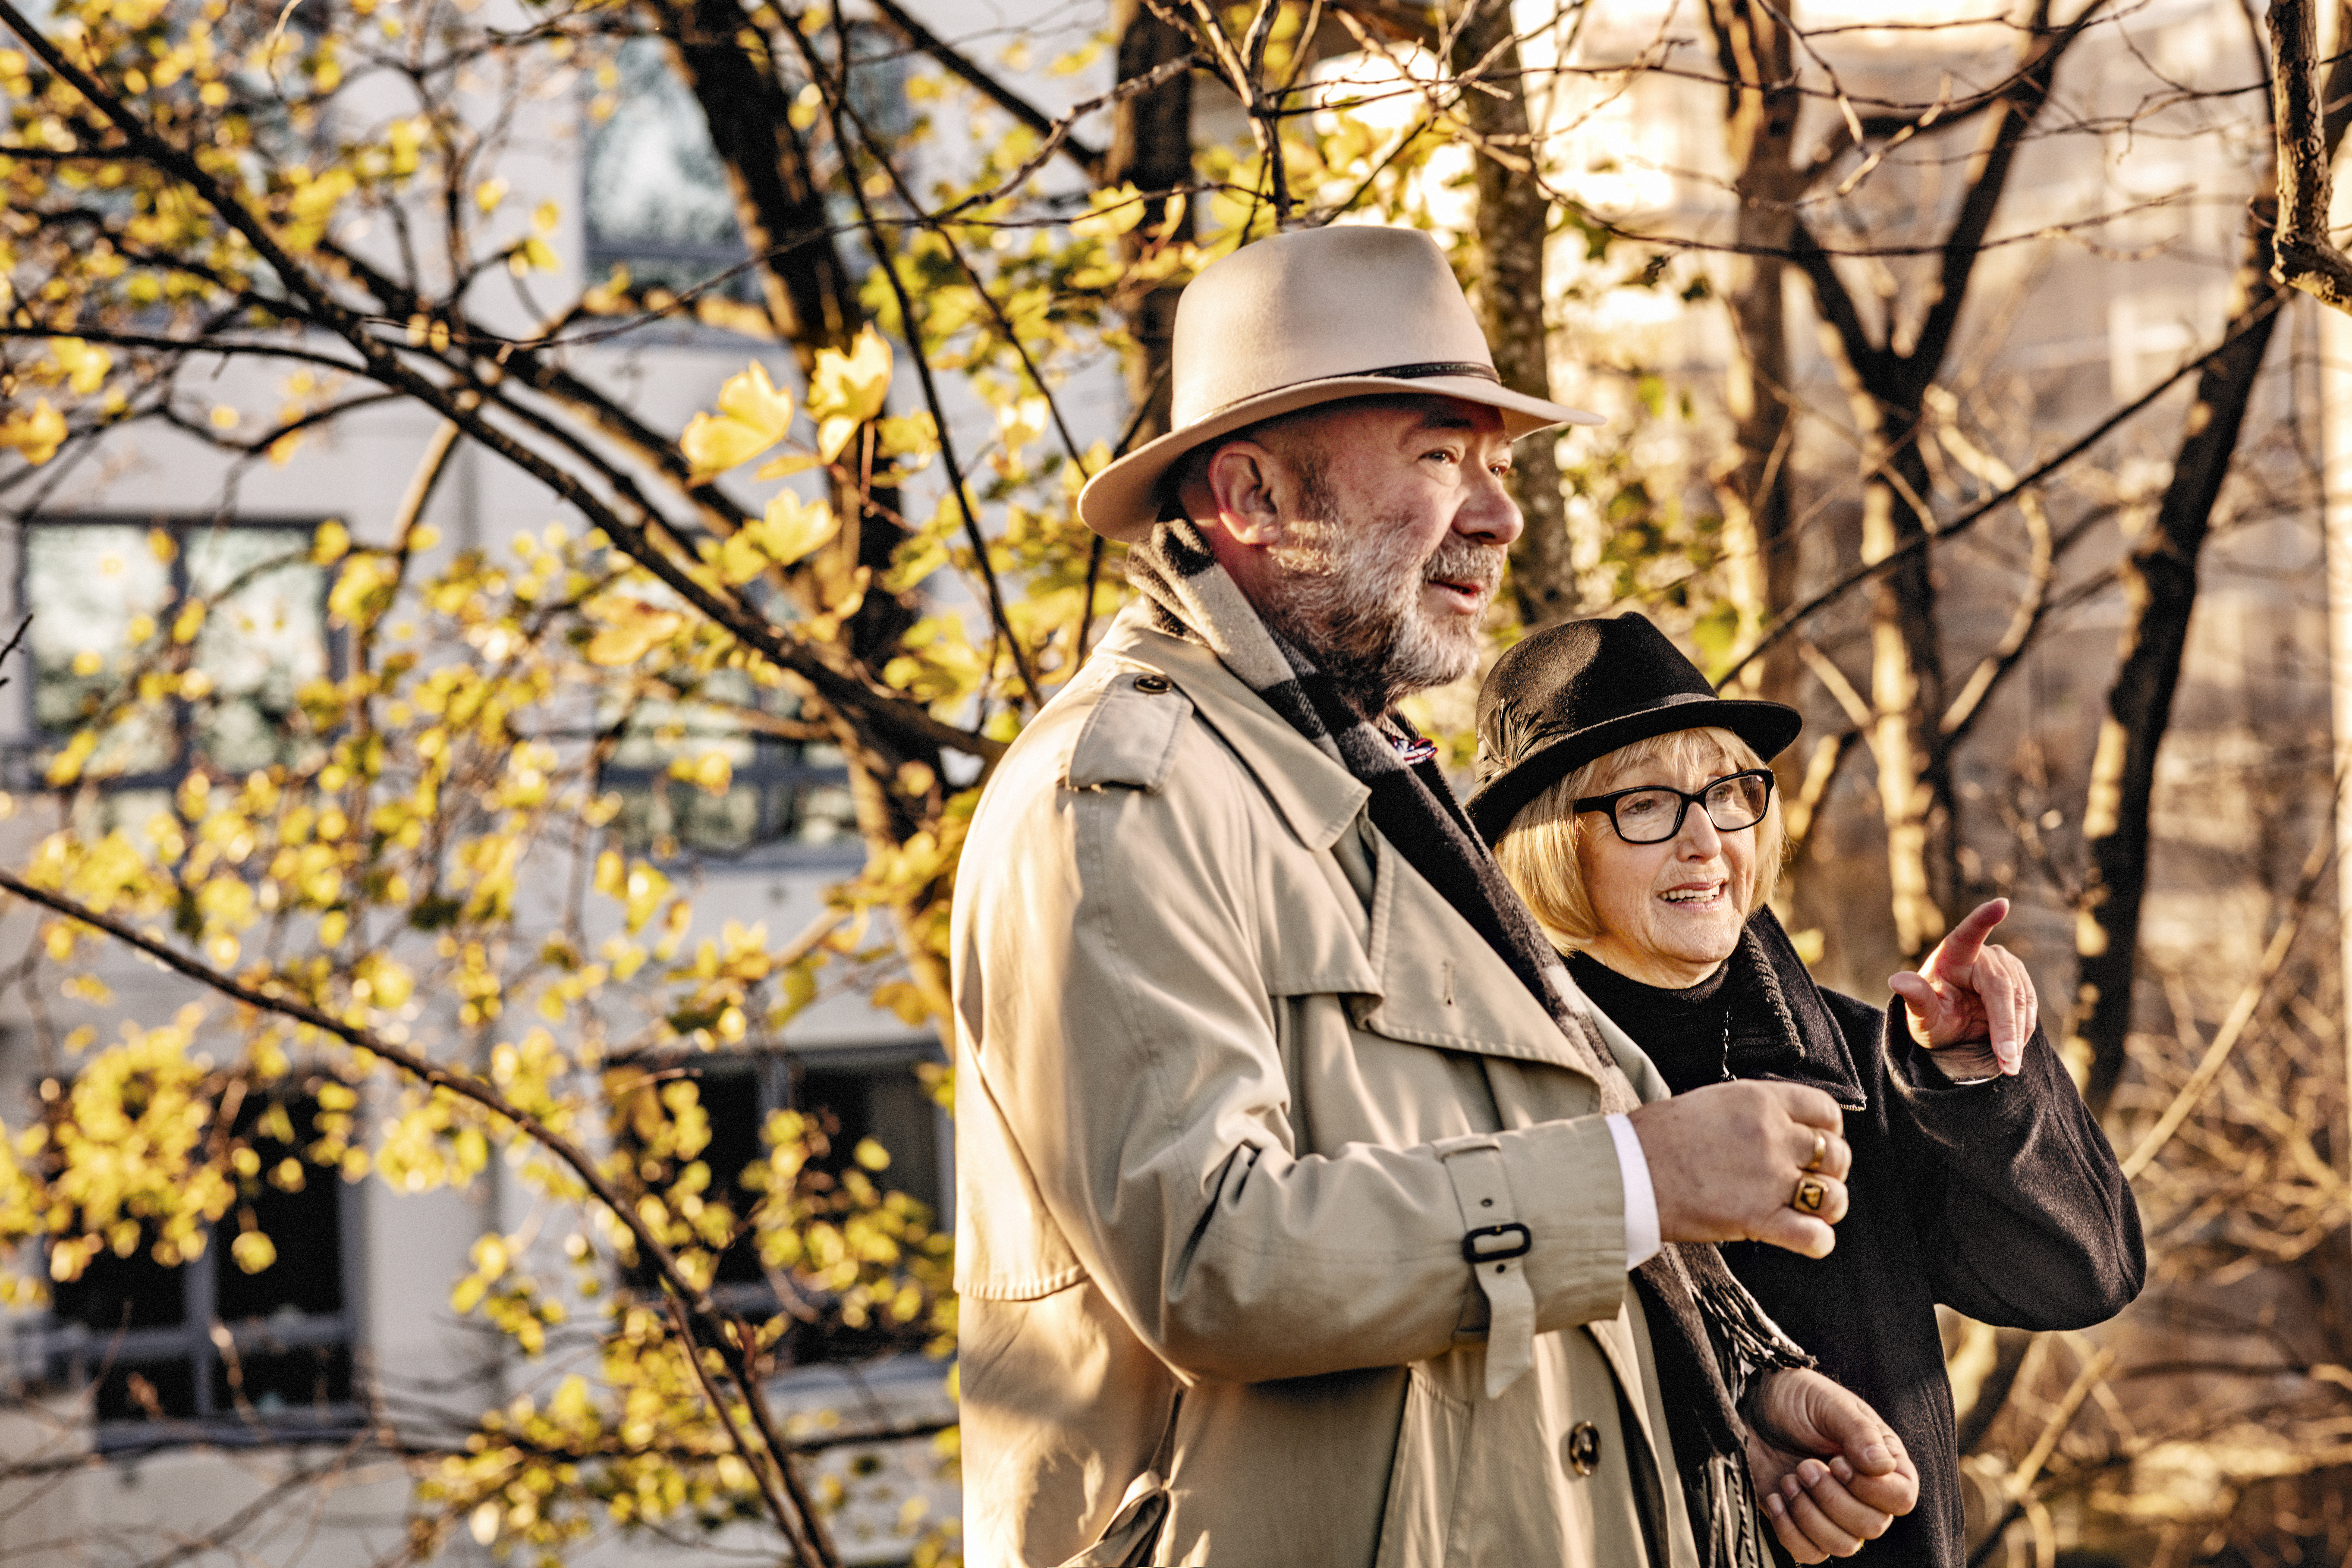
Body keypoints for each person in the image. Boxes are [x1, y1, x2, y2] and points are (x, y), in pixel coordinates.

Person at [951, 224, 1924, 1568]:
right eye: (1436, 456)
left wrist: (1722, 1402)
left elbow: (1478, 1227)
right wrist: (1644, 1172)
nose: (1497, 515)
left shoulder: (1368, 783)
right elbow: (1210, 1258)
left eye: (1496, 465)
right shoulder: (1123, 796)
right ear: (1252, 494)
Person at [1469, 613, 2147, 1565]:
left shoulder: (1867, 1063)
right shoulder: (1490, 1084)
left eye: (1728, 794)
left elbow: (2081, 1277)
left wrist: (1973, 1078)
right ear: (1548, 841)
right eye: (1647, 805)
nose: (1705, 841)